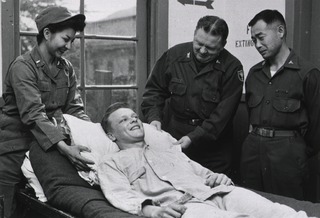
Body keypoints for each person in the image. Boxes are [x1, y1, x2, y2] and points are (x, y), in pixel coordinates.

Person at [0, 6, 136, 218]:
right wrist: (65, 147)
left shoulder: (66, 69)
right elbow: (34, 115)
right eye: (66, 39)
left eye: (73, 40)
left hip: (51, 149)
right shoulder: (23, 67)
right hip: (16, 147)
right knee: (9, 207)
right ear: (47, 33)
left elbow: (74, 108)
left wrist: (93, 137)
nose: (70, 46)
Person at [97, 102, 313, 218]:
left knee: (280, 213)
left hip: (215, 192)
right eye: (123, 120)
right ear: (111, 135)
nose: (133, 120)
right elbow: (119, 194)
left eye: (134, 117)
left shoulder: (168, 149)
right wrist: (150, 210)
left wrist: (216, 176)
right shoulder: (111, 163)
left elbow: (201, 172)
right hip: (184, 207)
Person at [141, 15, 244, 176]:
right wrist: (154, 118)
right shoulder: (174, 56)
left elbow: (222, 116)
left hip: (213, 151)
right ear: (194, 34)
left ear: (223, 45)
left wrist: (193, 138)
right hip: (174, 142)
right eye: (199, 44)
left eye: (210, 48)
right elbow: (154, 92)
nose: (202, 51)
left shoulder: (232, 67)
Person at [241, 9, 320, 200]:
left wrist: (295, 151)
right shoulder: (254, 74)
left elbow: (317, 129)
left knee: (287, 209)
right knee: (250, 206)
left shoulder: (307, 73)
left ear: (281, 31)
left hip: (288, 157)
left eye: (261, 37)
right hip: (252, 154)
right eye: (253, 41)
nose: (257, 45)